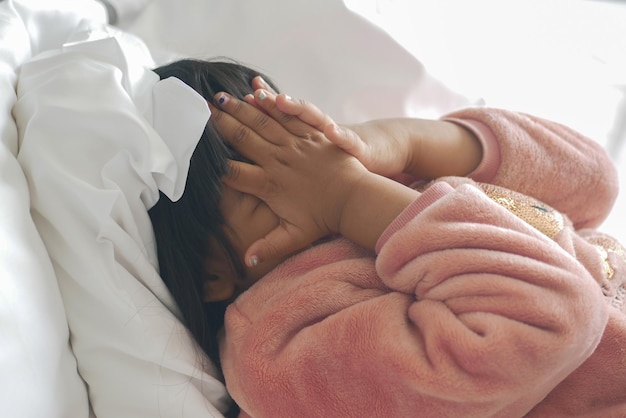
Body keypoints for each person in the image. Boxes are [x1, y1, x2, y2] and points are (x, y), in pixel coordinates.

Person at [149, 58, 626, 417]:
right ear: (213, 271)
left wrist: (400, 142)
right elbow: (550, 321)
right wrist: (346, 197)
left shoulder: (386, 179)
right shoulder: (277, 346)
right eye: (267, 192)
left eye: (292, 143)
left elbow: (592, 181)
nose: (306, 177)